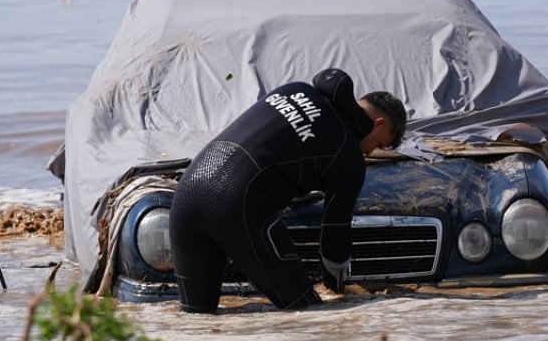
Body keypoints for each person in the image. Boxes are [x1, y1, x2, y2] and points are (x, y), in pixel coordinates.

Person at [169, 68, 406, 313]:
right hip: (236, 202)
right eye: (379, 145)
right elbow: (334, 239)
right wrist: (338, 291)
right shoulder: (349, 156)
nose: (369, 153)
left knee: (197, 321)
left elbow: (272, 147)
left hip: (187, 193)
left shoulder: (294, 89)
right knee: (308, 316)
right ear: (380, 124)